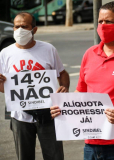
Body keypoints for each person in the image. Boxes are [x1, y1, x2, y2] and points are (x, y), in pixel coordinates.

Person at [51, 1, 114, 160]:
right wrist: (64, 107)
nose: (103, 25)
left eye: (109, 22)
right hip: (91, 143)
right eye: (100, 21)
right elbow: (81, 91)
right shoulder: (90, 54)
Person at [0, 12, 70, 160]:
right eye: (16, 26)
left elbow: (62, 73)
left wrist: (64, 87)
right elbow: (6, 89)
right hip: (20, 116)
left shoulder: (48, 49)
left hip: (48, 115)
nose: (19, 30)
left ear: (34, 29)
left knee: (54, 156)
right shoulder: (5, 53)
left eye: (24, 26)